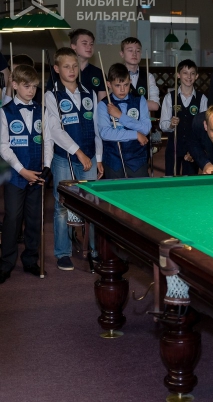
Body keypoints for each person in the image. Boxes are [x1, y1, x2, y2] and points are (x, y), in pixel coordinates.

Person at [44, 48, 102, 271]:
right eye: (66, 66)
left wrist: (98, 158)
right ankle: (63, 252)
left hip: (90, 155)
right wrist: (78, 152)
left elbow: (96, 128)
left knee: (92, 205)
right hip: (64, 158)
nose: (71, 70)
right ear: (57, 69)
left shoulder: (89, 93)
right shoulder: (52, 95)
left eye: (75, 66)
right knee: (62, 205)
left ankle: (95, 251)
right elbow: (55, 131)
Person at [0, 65, 50, 283]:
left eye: (34, 87)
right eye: (26, 86)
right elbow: (3, 146)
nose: (31, 91)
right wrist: (22, 170)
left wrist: (47, 166)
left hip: (37, 174)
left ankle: (30, 259)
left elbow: (48, 140)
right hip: (14, 175)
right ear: (14, 85)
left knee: (34, 219)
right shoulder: (5, 111)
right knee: (12, 218)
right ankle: (6, 263)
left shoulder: (41, 110)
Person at [96, 63, 151, 179]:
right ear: (109, 84)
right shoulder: (103, 105)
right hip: (113, 162)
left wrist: (120, 116)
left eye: (126, 85)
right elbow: (105, 133)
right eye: (117, 85)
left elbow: (146, 128)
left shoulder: (140, 100)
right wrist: (135, 134)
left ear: (130, 82)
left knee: (140, 190)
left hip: (137, 160)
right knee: (114, 190)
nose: (122, 89)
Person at [160, 59, 207, 176]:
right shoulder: (169, 97)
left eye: (192, 73)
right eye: (185, 73)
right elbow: (163, 125)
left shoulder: (202, 99)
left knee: (190, 180)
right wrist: (171, 124)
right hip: (173, 147)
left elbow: (204, 128)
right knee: (170, 179)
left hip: (193, 148)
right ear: (178, 75)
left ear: (196, 76)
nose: (189, 77)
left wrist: (197, 150)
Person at [46, 29, 107, 102]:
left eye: (91, 44)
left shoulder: (98, 73)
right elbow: (49, 96)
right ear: (73, 46)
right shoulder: (59, 71)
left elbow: (102, 103)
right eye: (84, 43)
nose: (89, 47)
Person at [120, 37, 160, 113]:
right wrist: (145, 103)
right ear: (122, 54)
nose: (134, 54)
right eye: (130, 50)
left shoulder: (149, 77)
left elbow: (155, 106)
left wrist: (127, 101)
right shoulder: (116, 76)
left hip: (144, 120)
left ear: (141, 54)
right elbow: (115, 103)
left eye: (138, 51)